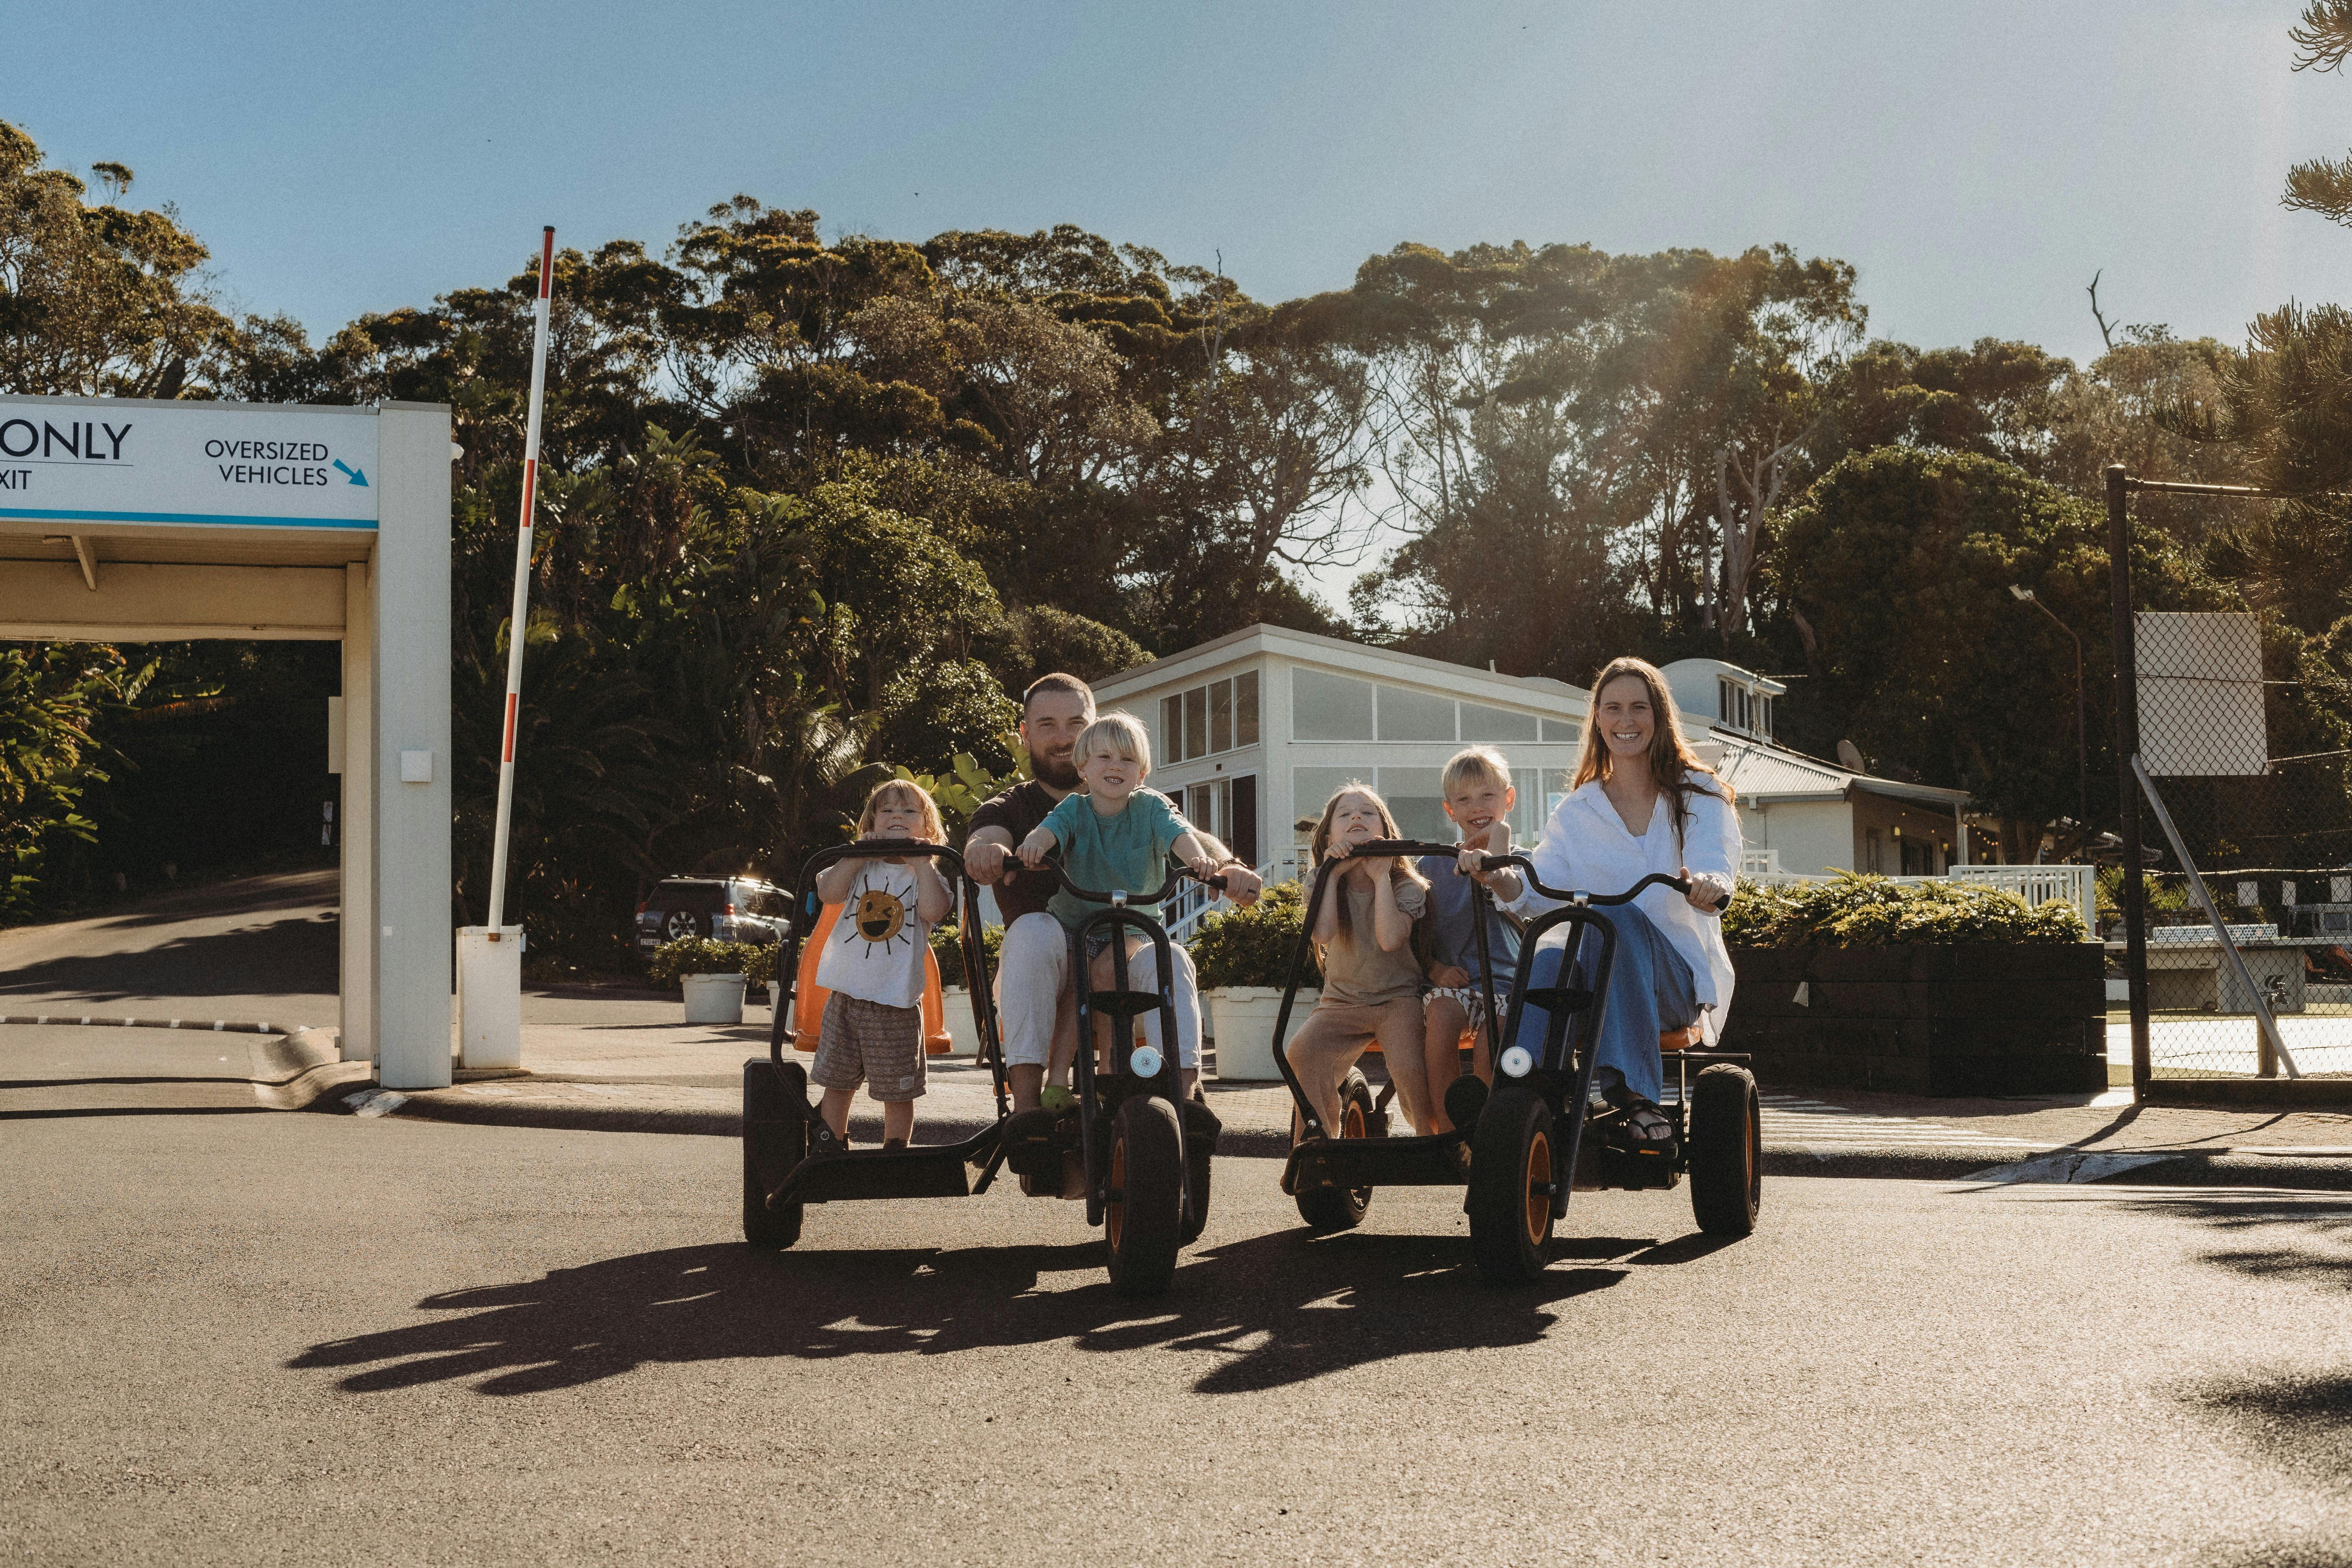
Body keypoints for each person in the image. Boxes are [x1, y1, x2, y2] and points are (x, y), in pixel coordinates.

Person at [1463, 656, 1740, 1151]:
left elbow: (1715, 859)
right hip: (1591, 980)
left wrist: (1705, 884)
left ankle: (1635, 1096)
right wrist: (1498, 874)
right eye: (1613, 708)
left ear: (1659, 715)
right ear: (1597, 718)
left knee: (1613, 917)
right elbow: (1536, 889)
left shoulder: (1699, 793)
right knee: (1550, 951)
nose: (1626, 720)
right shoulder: (1578, 808)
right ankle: (1521, 1082)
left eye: (1638, 707)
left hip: (1670, 983)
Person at [965, 674, 1260, 1113]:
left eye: (1075, 723)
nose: (1063, 737)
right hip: (1047, 967)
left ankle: (1184, 1097)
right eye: (1047, 725)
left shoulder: (1140, 801)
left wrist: (1228, 867)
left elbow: (1185, 835)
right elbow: (985, 839)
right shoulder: (1012, 807)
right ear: (1026, 733)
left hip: (1122, 948)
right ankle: (1027, 1110)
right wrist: (987, 852)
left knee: (1173, 958)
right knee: (1033, 929)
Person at [1016, 711, 1220, 1097]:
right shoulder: (1075, 810)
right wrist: (1034, 847)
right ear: (1083, 768)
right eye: (1104, 758)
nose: (1115, 767)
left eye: (1127, 760)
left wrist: (1198, 862)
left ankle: (1112, 1073)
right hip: (1075, 924)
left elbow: (1180, 835)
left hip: (1130, 925)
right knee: (1075, 986)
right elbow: (1047, 832)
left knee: (1111, 973)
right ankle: (1058, 1079)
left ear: (1141, 773)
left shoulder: (1151, 808)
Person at [806, 779, 954, 1154]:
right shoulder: (858, 864)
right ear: (872, 822)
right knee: (837, 1082)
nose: (897, 817)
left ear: (927, 827)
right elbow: (829, 893)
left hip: (896, 1002)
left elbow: (935, 910)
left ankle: (895, 1148)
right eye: (887, 811)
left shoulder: (926, 874)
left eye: (909, 812)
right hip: (847, 995)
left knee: (898, 1088)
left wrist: (923, 863)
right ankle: (831, 1144)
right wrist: (854, 855)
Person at [1285, 785, 1441, 1138]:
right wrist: (1334, 873)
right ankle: (1319, 1144)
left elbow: (1389, 940)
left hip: (1398, 1000)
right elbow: (1322, 935)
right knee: (1302, 1052)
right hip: (1341, 1001)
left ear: (1385, 831)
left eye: (1368, 813)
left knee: (1409, 1070)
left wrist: (1380, 876)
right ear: (1327, 835)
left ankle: (1429, 1137)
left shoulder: (1405, 884)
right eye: (1345, 814)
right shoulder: (1322, 880)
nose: (1357, 816)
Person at [1415, 746, 1521, 1131]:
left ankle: (1489, 1133)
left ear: (1508, 799)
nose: (1477, 806)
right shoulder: (1431, 866)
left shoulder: (1525, 861)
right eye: (1464, 799)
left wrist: (1497, 868)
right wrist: (1435, 969)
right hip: (1456, 982)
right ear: (1450, 811)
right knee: (1440, 1016)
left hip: (1510, 984)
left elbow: (1535, 920)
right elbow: (1415, 936)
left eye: (1487, 796)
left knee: (1492, 1038)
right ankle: (1448, 1131)